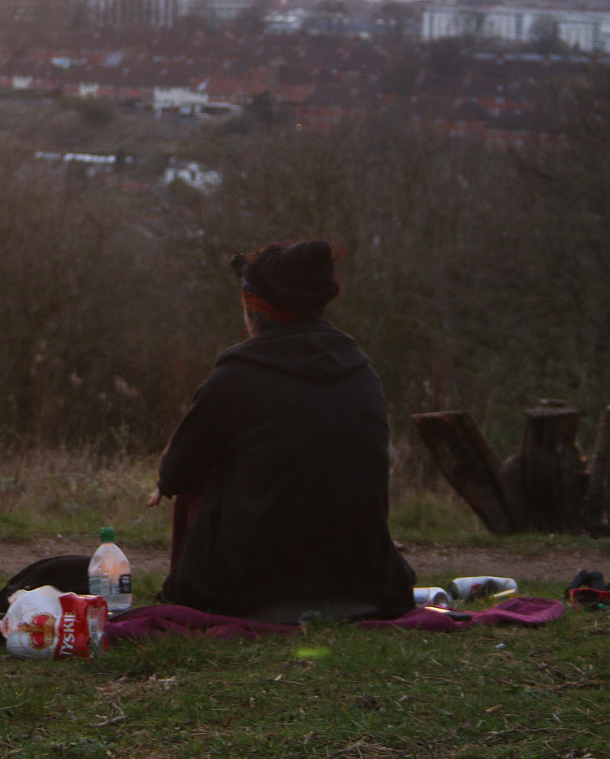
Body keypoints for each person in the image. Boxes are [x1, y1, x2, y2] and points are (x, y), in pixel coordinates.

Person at [146, 239, 416, 623]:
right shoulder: (362, 372)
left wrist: (168, 478)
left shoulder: (236, 377)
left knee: (202, 473)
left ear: (253, 304)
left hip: (251, 591)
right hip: (365, 585)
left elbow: (177, 471)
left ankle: (200, 588)